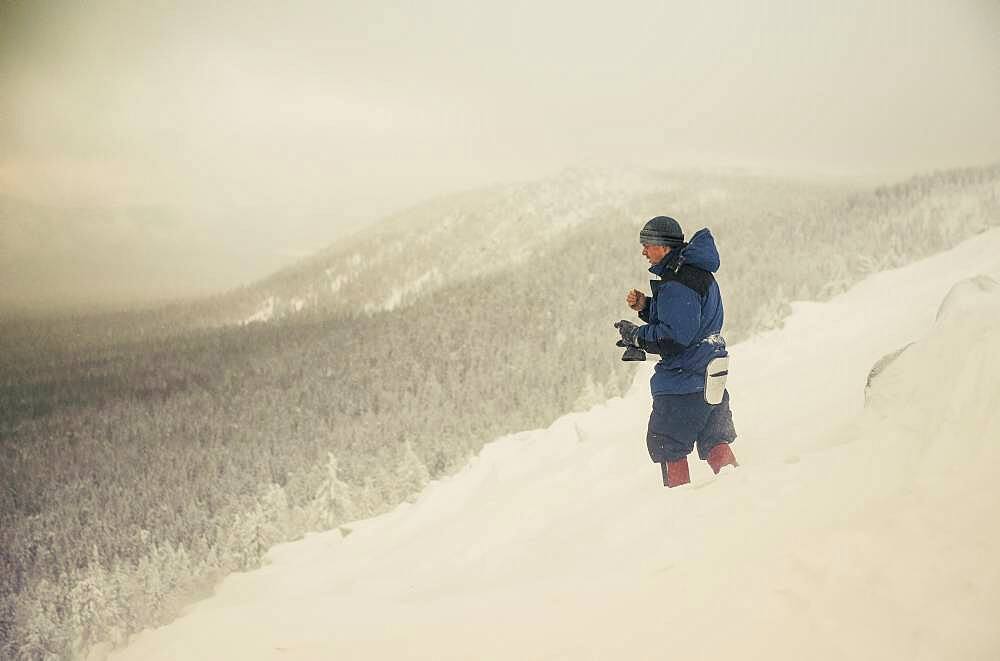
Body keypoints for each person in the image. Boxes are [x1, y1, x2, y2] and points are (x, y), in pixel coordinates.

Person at [614, 216, 738, 487]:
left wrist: (636, 335)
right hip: (710, 375)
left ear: (664, 246)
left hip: (684, 383)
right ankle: (739, 491)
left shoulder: (678, 282)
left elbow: (673, 337)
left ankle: (676, 507)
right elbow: (693, 321)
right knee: (714, 439)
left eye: (647, 244)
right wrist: (647, 306)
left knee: (667, 443)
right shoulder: (696, 272)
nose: (643, 251)